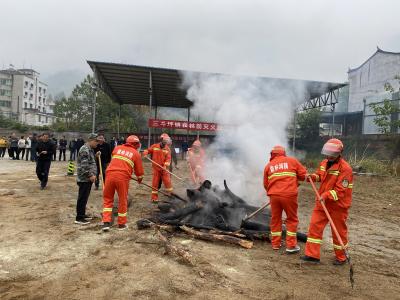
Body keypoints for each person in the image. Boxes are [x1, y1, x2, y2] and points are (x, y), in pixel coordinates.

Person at [301, 139, 354, 265]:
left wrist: (325, 195)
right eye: (327, 153)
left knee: (339, 232)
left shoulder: (345, 169)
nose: (328, 156)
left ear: (338, 153)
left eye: (331, 153)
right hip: (322, 203)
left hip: (338, 206)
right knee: (314, 227)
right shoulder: (324, 163)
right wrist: (311, 177)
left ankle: (342, 257)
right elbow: (320, 176)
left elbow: (340, 191)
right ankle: (312, 255)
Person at [263, 145, 307, 253]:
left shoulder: (268, 166)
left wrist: (274, 191)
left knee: (275, 219)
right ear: (283, 153)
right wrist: (295, 180)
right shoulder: (292, 161)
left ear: (272, 154)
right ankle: (291, 245)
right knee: (291, 219)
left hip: (274, 196)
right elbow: (303, 175)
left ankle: (275, 244)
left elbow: (265, 184)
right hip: (289, 195)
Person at [102, 135, 144, 231]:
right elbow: (139, 172)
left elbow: (115, 160)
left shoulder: (117, 148)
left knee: (108, 199)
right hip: (122, 177)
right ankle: (121, 224)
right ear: (136, 144)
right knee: (122, 200)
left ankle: (106, 223)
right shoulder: (136, 153)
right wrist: (139, 179)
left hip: (109, 174)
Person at [75, 134, 98, 225]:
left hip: (87, 178)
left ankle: (82, 214)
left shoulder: (89, 149)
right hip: (84, 178)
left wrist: (95, 155)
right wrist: (90, 175)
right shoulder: (85, 149)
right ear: (91, 140)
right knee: (82, 198)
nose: (97, 144)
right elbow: (84, 165)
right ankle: (79, 218)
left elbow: (90, 161)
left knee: (85, 198)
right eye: (96, 141)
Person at [142, 133, 173, 202]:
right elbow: (148, 150)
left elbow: (168, 159)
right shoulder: (155, 146)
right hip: (156, 169)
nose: (165, 142)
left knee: (168, 182)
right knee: (155, 183)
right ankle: (154, 198)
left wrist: (165, 166)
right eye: (164, 140)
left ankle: (171, 196)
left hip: (164, 169)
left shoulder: (168, 149)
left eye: (166, 141)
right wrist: (145, 153)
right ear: (161, 140)